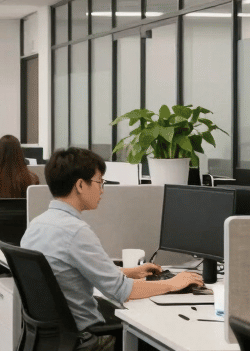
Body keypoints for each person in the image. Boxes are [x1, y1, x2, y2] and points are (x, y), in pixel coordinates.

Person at [21, 148, 204, 351]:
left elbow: (66, 272)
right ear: (81, 185)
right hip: (90, 337)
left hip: (58, 335)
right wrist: (173, 283)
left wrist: (129, 272)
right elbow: (123, 291)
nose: (102, 190)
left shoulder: (37, 225)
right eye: (100, 182)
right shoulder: (75, 232)